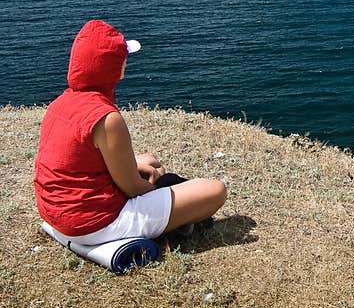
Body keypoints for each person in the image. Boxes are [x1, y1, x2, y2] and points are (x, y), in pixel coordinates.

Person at [34, 19, 227, 245]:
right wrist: (158, 188)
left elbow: (78, 162)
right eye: (121, 58)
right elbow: (133, 188)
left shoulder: (60, 103)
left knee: (150, 161)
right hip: (92, 224)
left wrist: (141, 171)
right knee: (215, 190)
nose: (125, 62)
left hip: (56, 213)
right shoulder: (106, 118)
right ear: (111, 67)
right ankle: (173, 224)